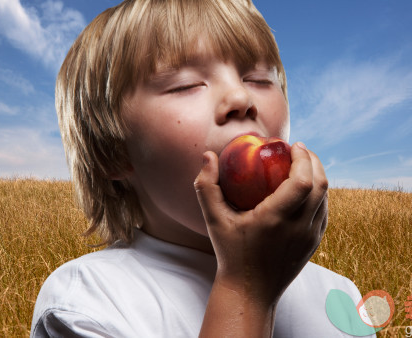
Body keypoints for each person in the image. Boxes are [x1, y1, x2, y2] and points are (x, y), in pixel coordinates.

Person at [31, 0, 373, 336]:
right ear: (112, 152)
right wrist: (246, 289)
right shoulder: (84, 302)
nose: (240, 98)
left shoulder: (340, 297)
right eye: (186, 85)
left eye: (259, 78)